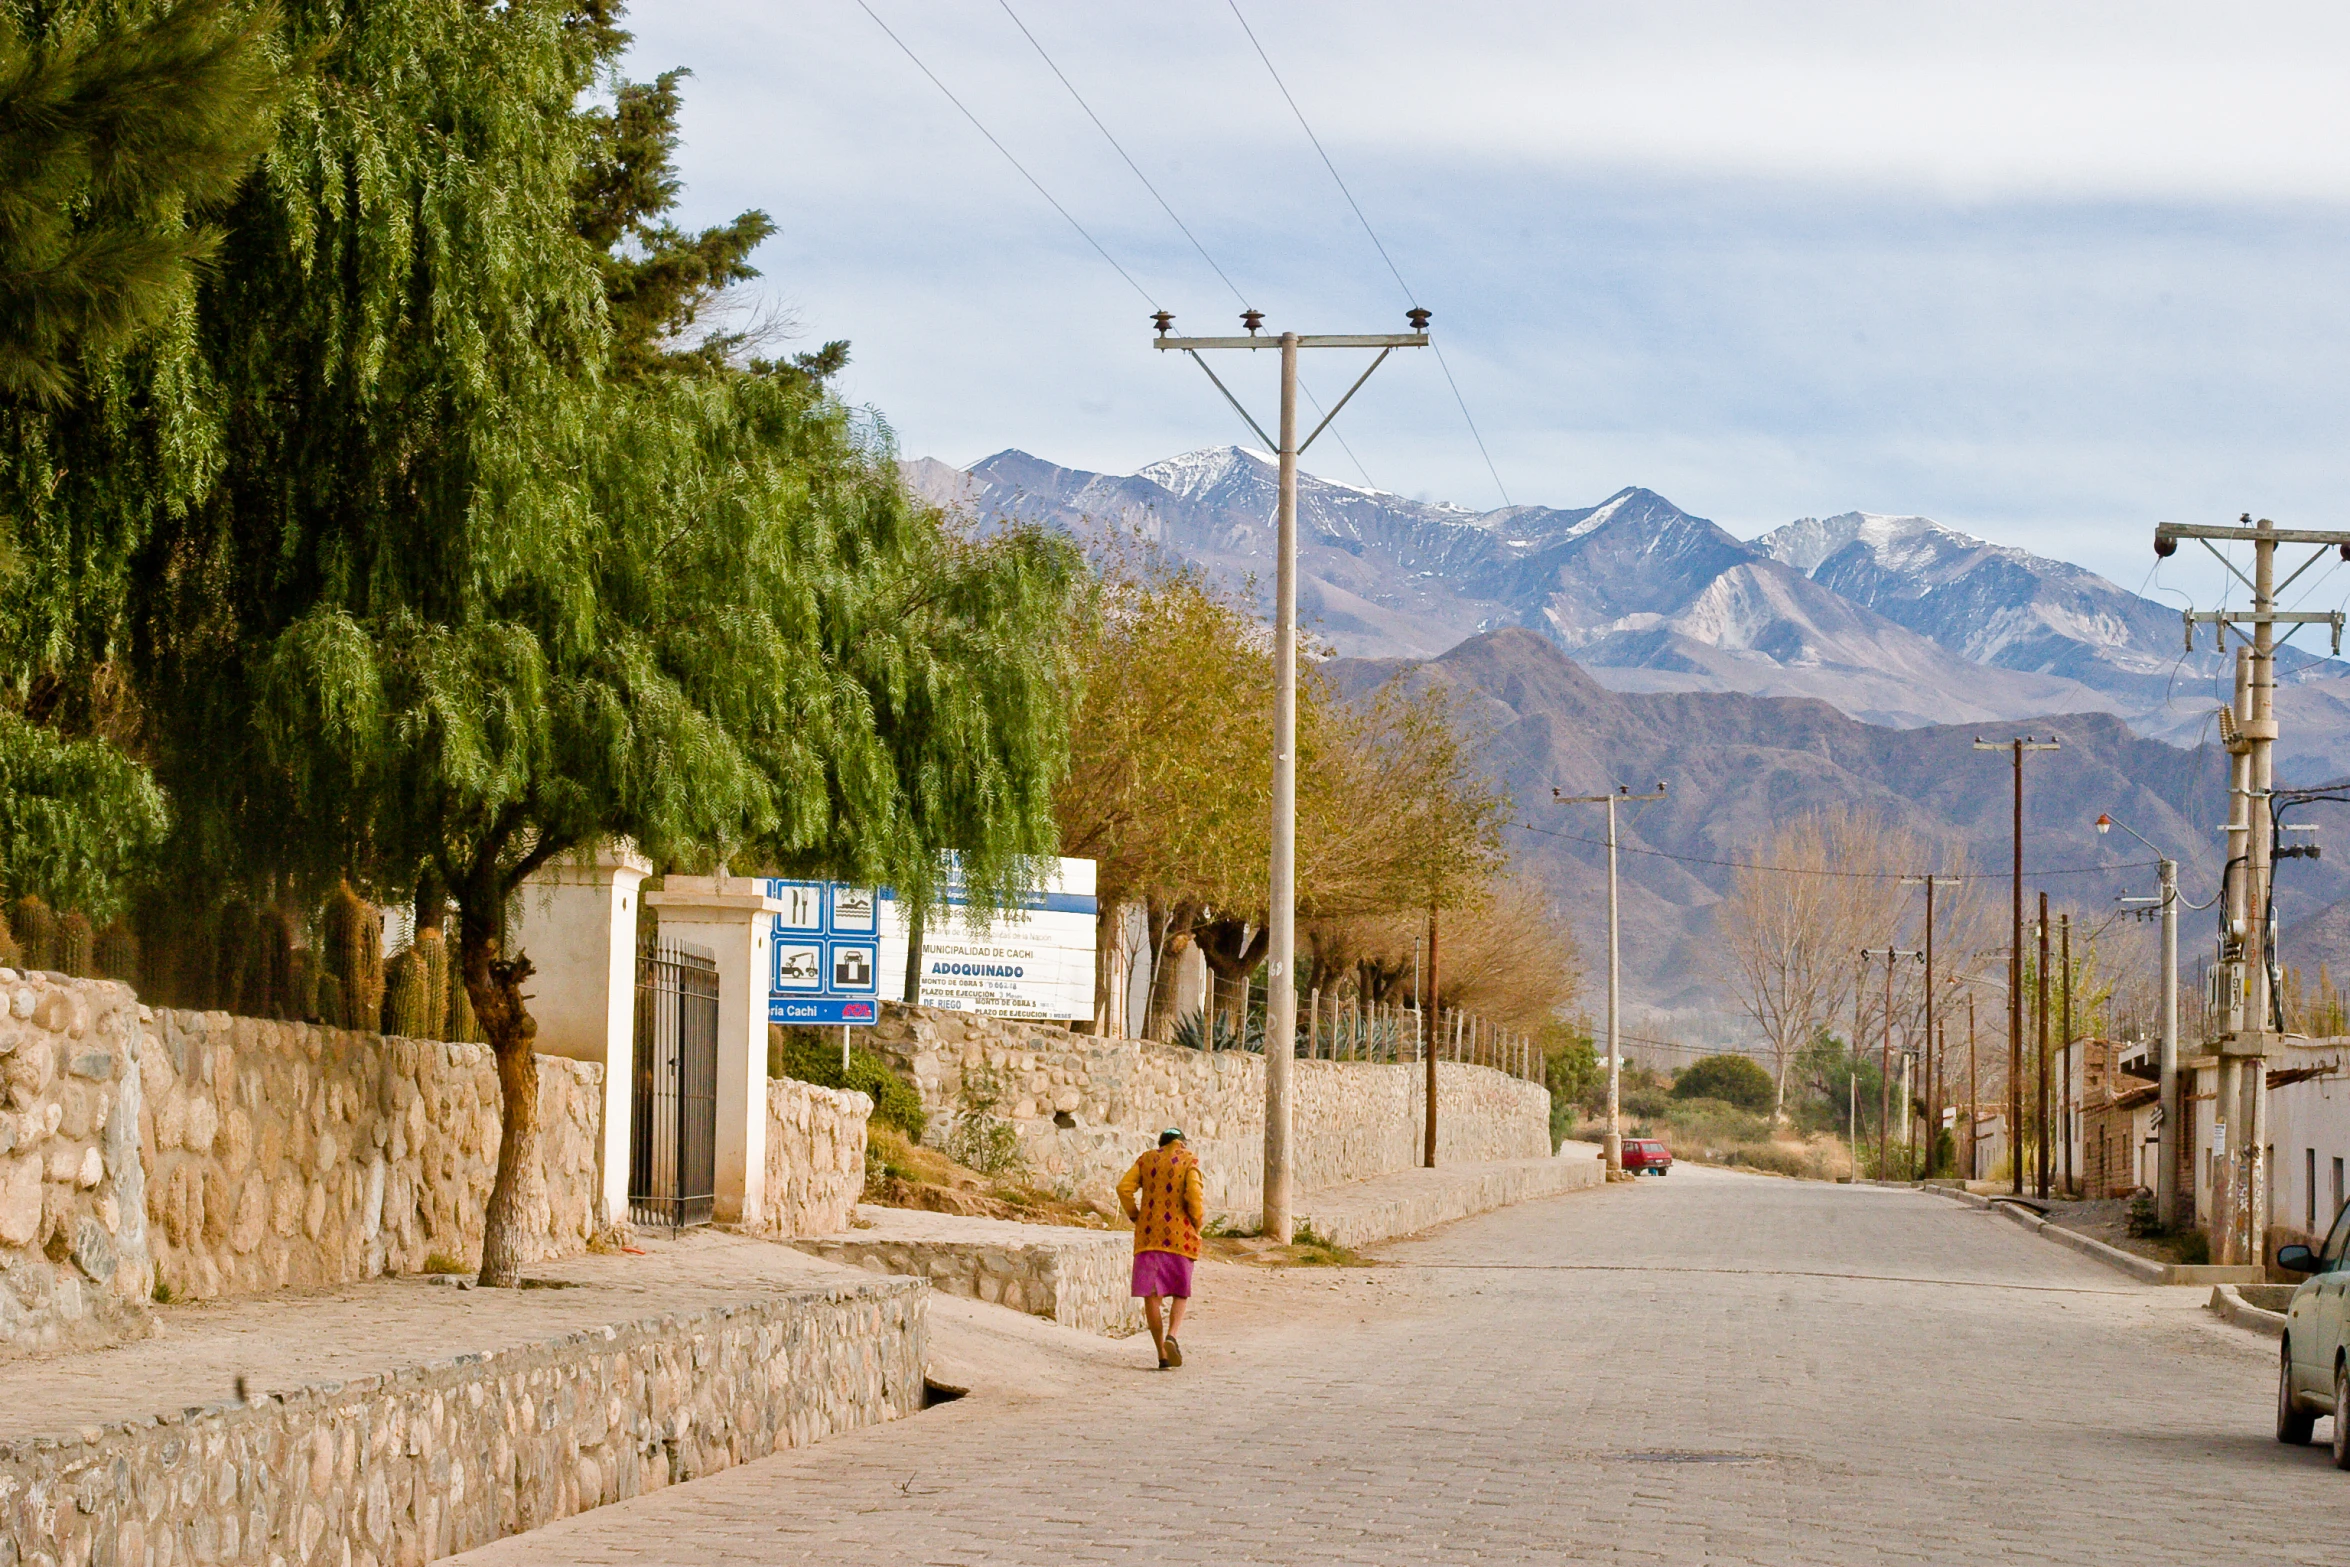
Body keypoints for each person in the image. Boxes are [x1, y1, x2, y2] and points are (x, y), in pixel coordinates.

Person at [1117, 1127, 1204, 1369]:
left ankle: (1161, 1354)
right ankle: (1172, 1335)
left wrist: (1136, 1215)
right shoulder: (1189, 1160)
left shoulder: (1146, 1159)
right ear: (1182, 1144)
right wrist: (1196, 1221)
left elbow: (1123, 1188)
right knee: (1180, 1292)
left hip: (1148, 1237)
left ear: (1161, 1144)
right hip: (1181, 1237)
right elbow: (1194, 1195)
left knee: (1152, 1298)